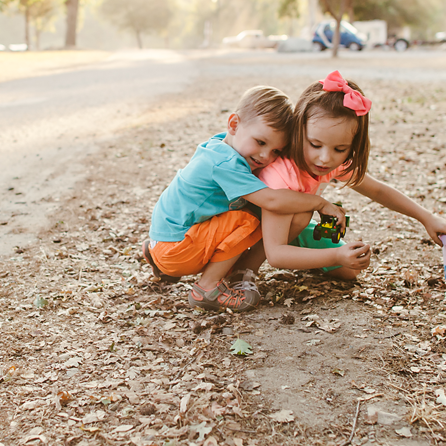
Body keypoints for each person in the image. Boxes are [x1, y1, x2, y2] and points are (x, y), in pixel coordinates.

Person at [143, 86, 341, 312]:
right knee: (249, 219)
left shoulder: (219, 147)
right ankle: (206, 288)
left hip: (164, 239)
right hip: (177, 250)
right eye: (260, 142)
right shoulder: (227, 164)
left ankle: (159, 260)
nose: (266, 156)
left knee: (239, 214)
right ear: (234, 125)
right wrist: (320, 203)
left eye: (276, 151)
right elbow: (272, 201)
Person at [252, 71, 446, 279]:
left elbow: (377, 190)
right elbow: (275, 255)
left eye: (340, 149)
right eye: (315, 144)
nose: (325, 158)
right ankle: (244, 271)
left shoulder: (329, 162)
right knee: (303, 214)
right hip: (249, 234)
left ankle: (301, 252)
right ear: (298, 129)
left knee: (349, 270)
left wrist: (427, 218)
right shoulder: (281, 174)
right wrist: (335, 255)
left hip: (287, 229)